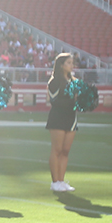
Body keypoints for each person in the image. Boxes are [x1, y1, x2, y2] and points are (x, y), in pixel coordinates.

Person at [46, 52, 78, 192]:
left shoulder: (74, 81)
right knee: (57, 150)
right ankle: (55, 182)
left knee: (65, 151)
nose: (72, 65)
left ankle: (61, 180)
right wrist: (73, 99)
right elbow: (54, 101)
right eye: (69, 63)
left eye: (72, 63)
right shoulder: (54, 82)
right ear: (61, 65)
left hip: (71, 118)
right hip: (58, 117)